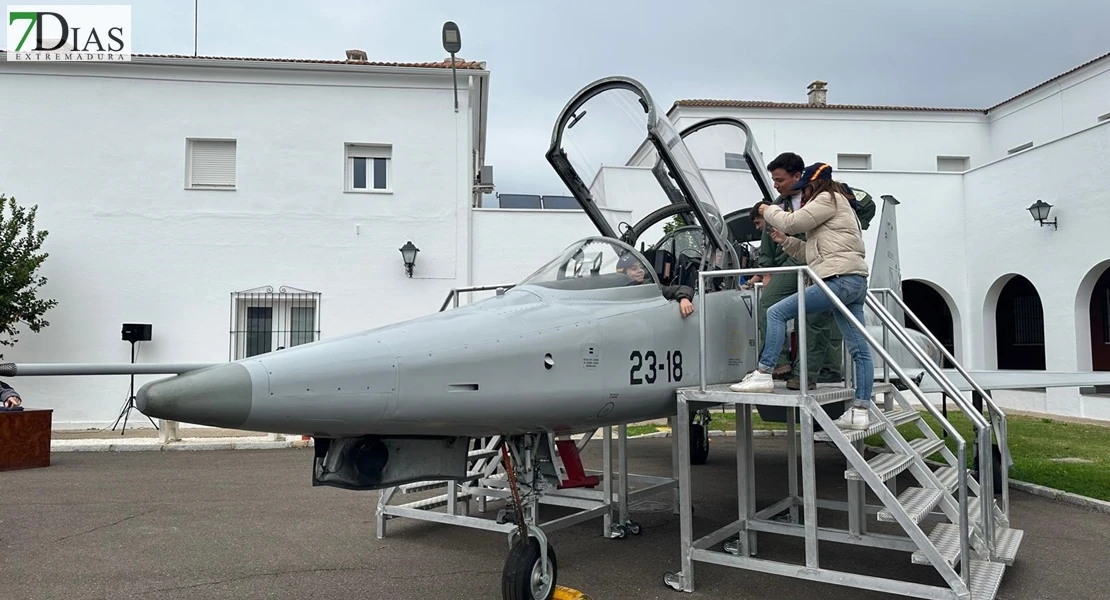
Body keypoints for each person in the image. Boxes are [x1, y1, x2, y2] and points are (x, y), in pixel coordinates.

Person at [730, 162, 874, 429]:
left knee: (775, 312)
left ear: (812, 184)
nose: (803, 195)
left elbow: (791, 220)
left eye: (804, 188)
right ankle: (860, 411)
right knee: (859, 351)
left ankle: (764, 373)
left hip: (837, 280)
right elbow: (811, 253)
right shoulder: (840, 207)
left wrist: (766, 209)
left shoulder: (828, 198)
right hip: (854, 281)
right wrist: (785, 241)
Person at [761, 152, 844, 390]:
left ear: (798, 176)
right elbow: (767, 242)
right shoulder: (778, 205)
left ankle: (805, 374)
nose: (775, 185)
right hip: (792, 261)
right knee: (768, 303)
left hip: (822, 262)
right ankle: (779, 363)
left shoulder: (825, 197)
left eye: (780, 180)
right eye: (774, 180)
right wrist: (767, 272)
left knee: (812, 317)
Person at [616, 253, 695, 318]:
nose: (640, 271)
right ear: (623, 273)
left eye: (641, 267)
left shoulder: (649, 287)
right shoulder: (614, 291)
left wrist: (684, 298)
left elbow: (681, 289)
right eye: (634, 268)